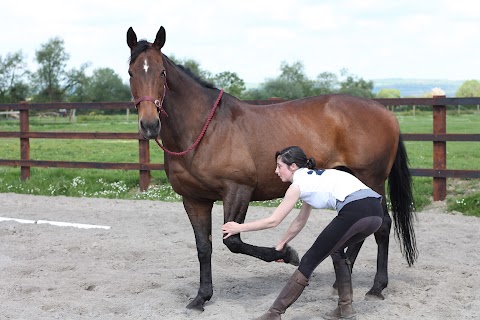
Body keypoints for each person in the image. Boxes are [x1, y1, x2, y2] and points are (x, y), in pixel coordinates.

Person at [222, 146, 384, 320]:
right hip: (377, 213)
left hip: (356, 211)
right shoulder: (314, 179)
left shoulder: (298, 186)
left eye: (279, 166)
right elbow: (300, 220)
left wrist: (238, 227)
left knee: (308, 261)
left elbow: (273, 220)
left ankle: (274, 314)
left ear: (292, 167)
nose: (276, 171)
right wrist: (281, 244)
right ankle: (345, 308)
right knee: (336, 250)